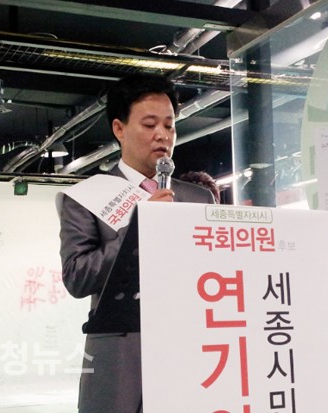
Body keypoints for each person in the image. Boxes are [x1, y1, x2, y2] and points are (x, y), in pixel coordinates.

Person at [57, 73, 215, 413]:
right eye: (149, 124)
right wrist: (138, 228)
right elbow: (76, 277)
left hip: (189, 347)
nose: (163, 135)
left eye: (170, 126)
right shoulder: (85, 197)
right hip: (118, 354)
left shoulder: (199, 198)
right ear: (119, 129)